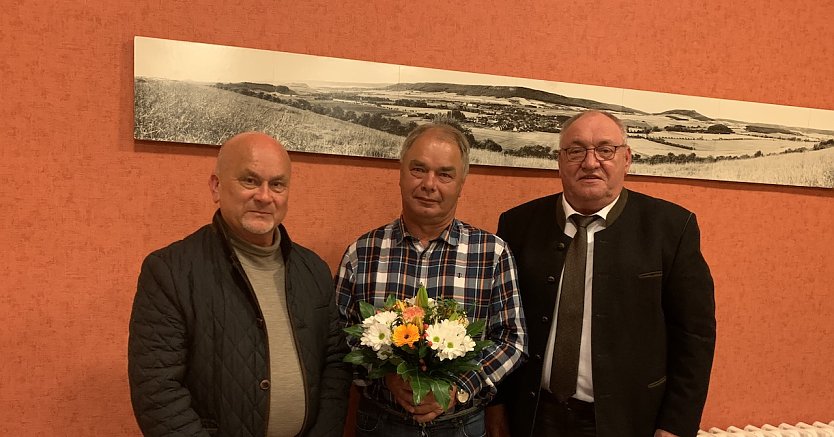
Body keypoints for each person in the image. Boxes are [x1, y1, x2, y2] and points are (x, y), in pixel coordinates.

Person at [487, 111, 716, 437]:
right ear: (560, 161)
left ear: (626, 159)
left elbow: (695, 337)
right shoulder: (518, 225)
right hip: (533, 415)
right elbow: (499, 326)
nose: (590, 162)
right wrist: (495, 405)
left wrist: (676, 425)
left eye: (605, 150)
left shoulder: (671, 228)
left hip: (628, 420)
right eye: (576, 150)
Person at [128, 132, 351, 437]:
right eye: (249, 180)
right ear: (216, 186)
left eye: (277, 184)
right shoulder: (170, 271)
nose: (264, 196)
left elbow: (335, 366)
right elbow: (157, 391)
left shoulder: (313, 269)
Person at [336, 122, 528, 437]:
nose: (429, 183)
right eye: (418, 169)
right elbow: (338, 337)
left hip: (461, 425)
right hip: (380, 422)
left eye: (445, 174)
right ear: (400, 173)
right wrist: (386, 375)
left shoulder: (492, 253)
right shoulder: (362, 252)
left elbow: (513, 340)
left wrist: (458, 387)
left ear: (462, 182)